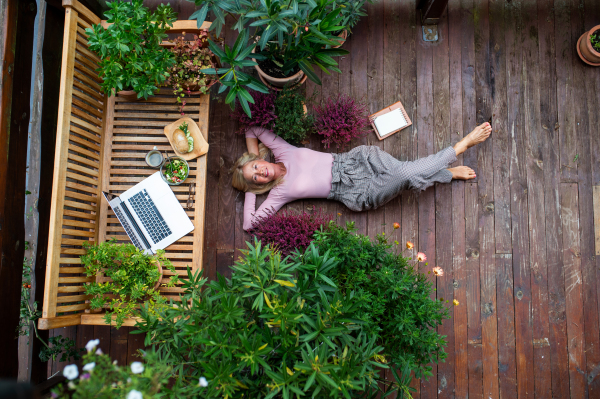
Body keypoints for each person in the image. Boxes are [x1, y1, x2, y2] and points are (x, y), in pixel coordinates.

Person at [232, 123, 492, 231]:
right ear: (259, 186)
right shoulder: (279, 193)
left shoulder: (281, 151)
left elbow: (252, 128)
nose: (260, 173)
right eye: (255, 179)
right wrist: (249, 191)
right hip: (357, 193)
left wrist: (251, 156)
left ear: (259, 160)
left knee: (405, 174)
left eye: (255, 167)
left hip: (359, 160)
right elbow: (249, 224)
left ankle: (444, 173)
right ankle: (460, 147)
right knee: (404, 173)